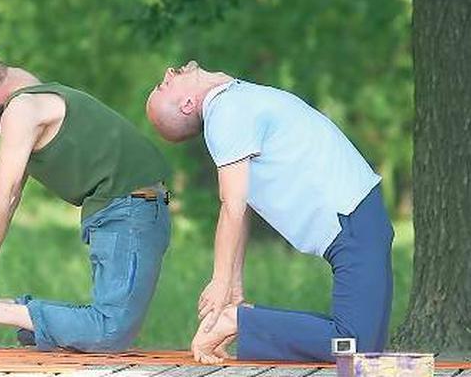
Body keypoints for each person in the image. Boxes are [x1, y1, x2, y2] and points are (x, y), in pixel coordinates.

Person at [145, 61, 393, 364]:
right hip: (352, 220)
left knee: (360, 345)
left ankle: (245, 320)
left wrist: (234, 285)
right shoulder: (226, 114)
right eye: (164, 84)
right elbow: (233, 206)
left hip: (357, 217)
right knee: (355, 346)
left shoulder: (233, 99)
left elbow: (242, 204)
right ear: (187, 104)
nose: (170, 71)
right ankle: (240, 321)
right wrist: (222, 281)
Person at [0, 54, 171, 353]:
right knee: (110, 332)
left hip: (131, 209)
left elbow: (9, 198)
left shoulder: (32, 99)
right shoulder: (22, 110)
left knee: (109, 326)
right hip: (126, 210)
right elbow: (4, 197)